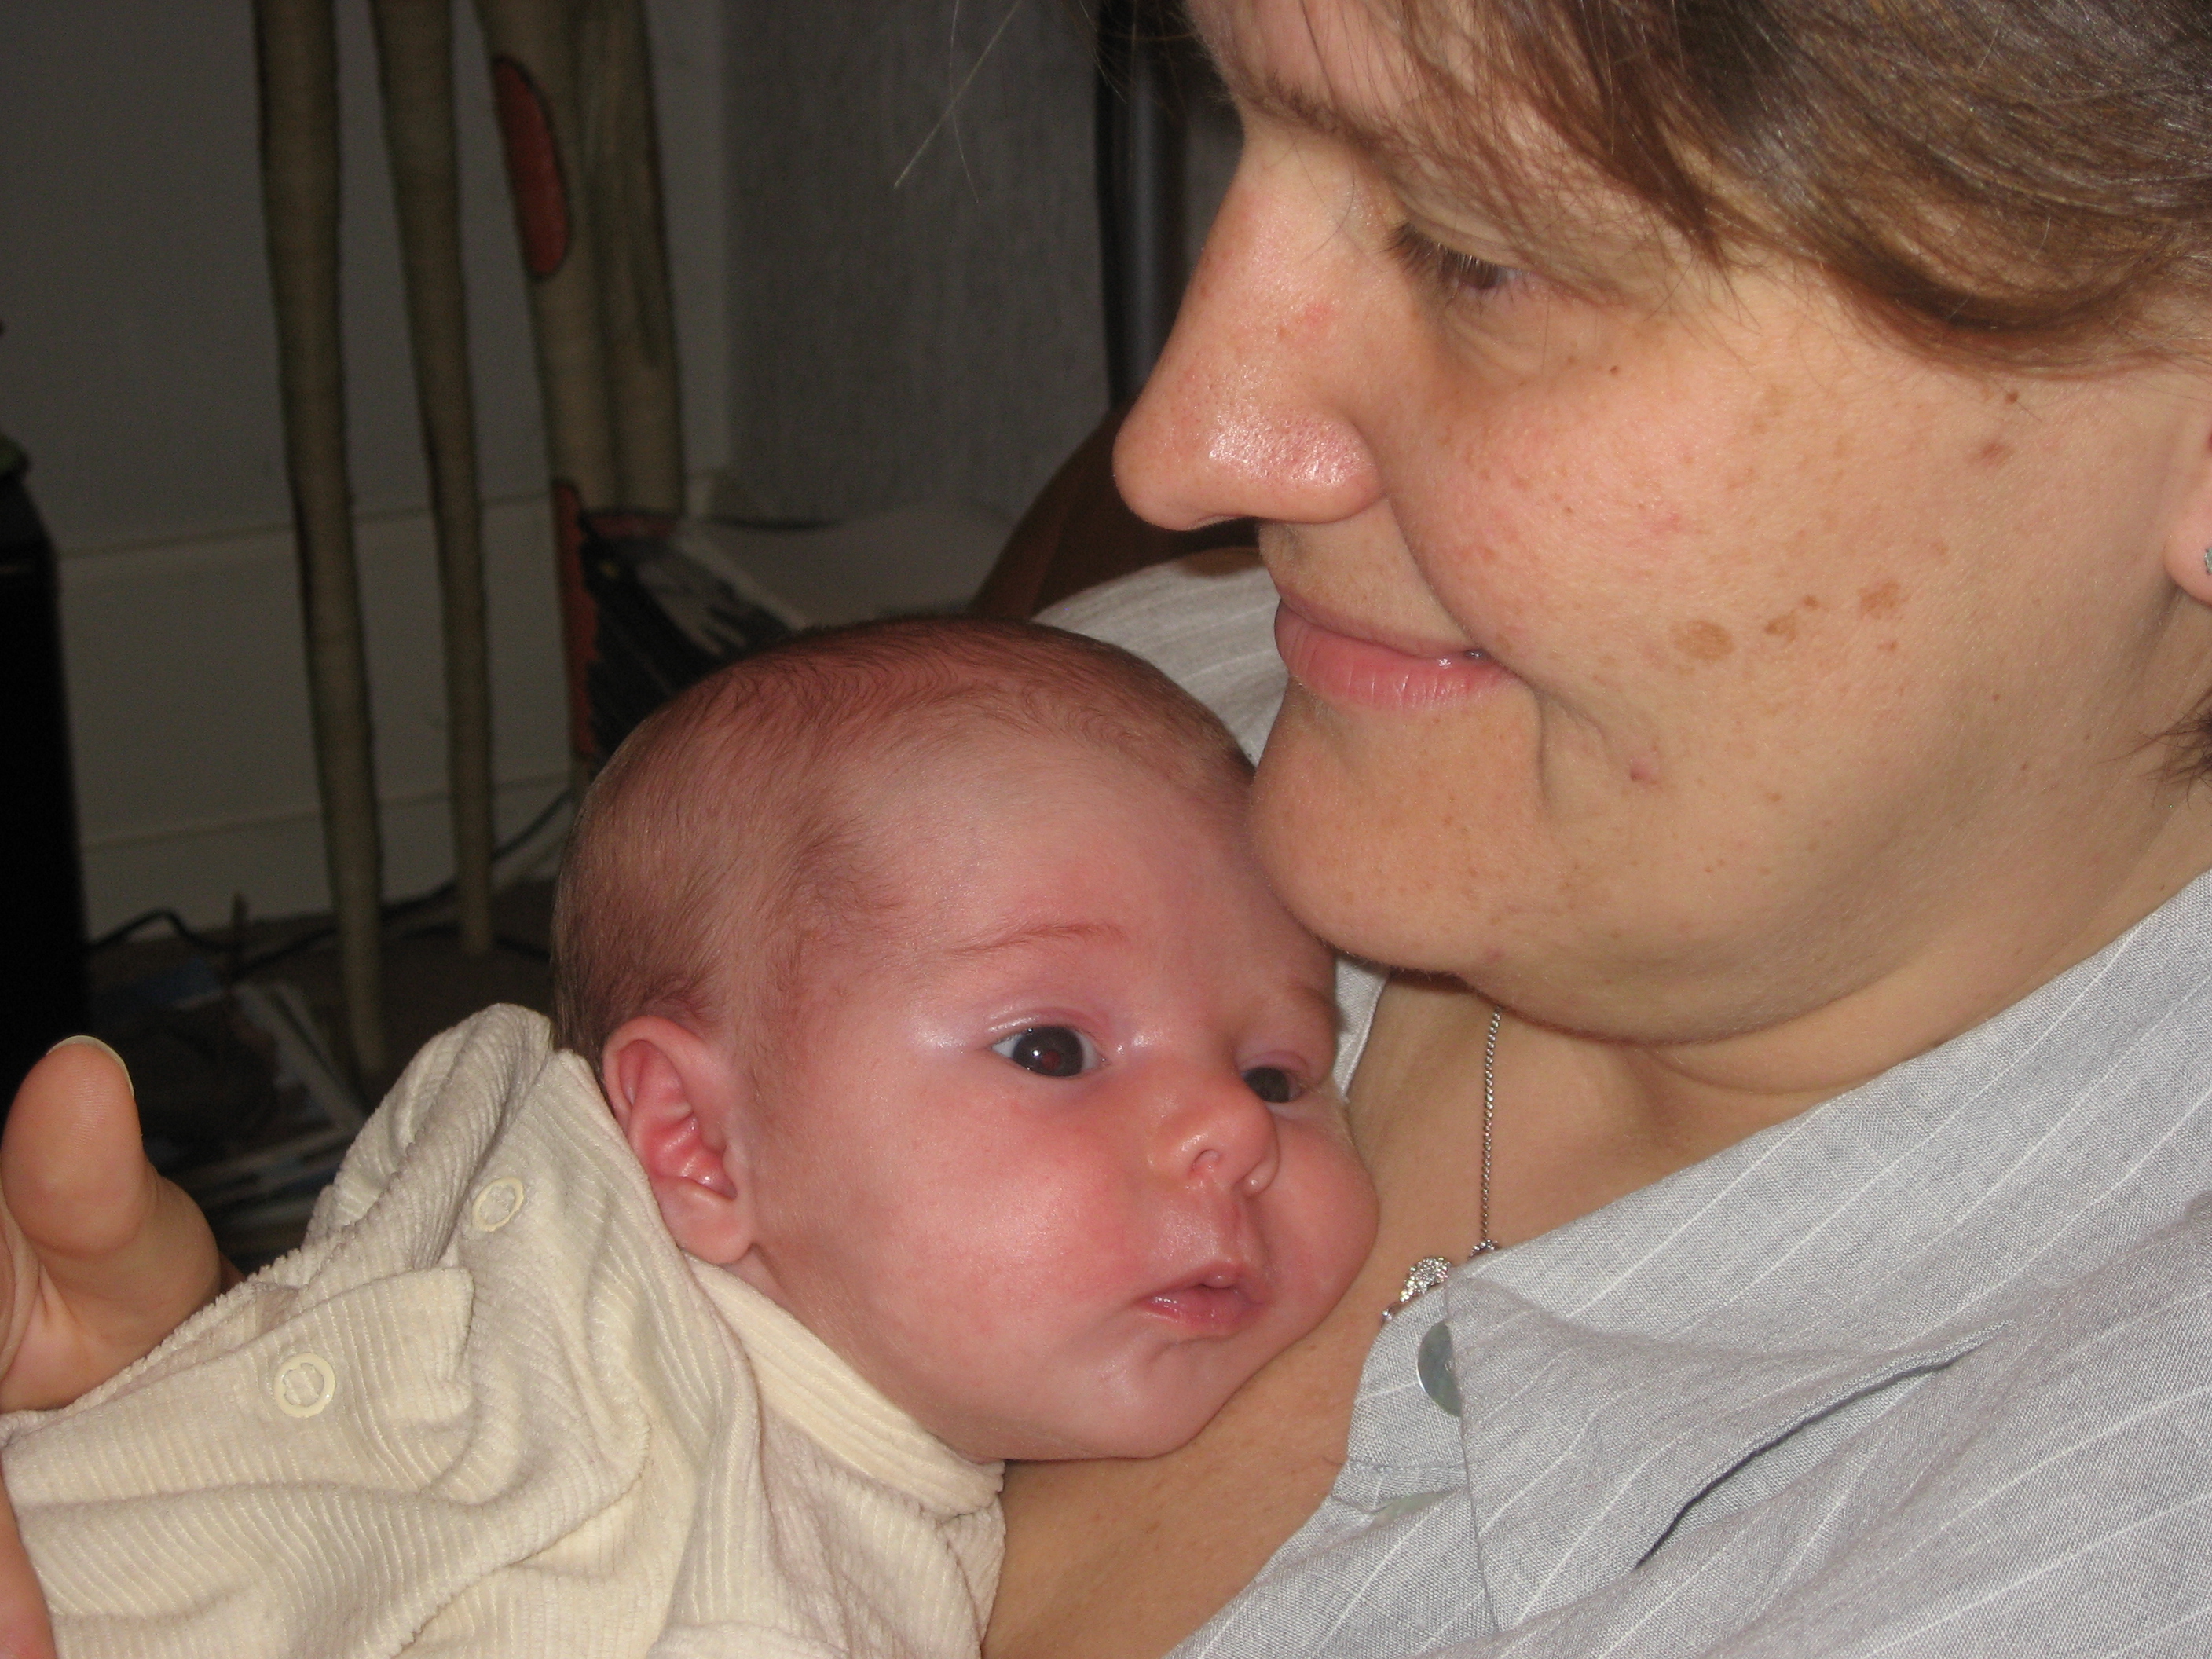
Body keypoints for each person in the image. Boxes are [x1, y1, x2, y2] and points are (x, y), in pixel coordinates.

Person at [12, 0, 2212, 1650]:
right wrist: (270, 1484)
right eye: (1254, 136)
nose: (1183, 447)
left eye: (1476, 250)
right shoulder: (1156, 721)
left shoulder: (2084, 1537)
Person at [0, 618, 1373, 1657]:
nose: (1229, 1127)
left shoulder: (768, 1593)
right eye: (1052, 1049)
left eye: (1280, 1072)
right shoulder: (500, 1112)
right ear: (696, 1139)